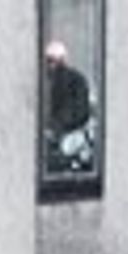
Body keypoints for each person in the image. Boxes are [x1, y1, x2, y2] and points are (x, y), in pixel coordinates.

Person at [41, 39, 96, 175]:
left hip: (69, 136)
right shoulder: (46, 81)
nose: (50, 66)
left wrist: (56, 127)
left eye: (52, 61)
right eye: (48, 61)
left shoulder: (75, 81)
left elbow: (79, 112)